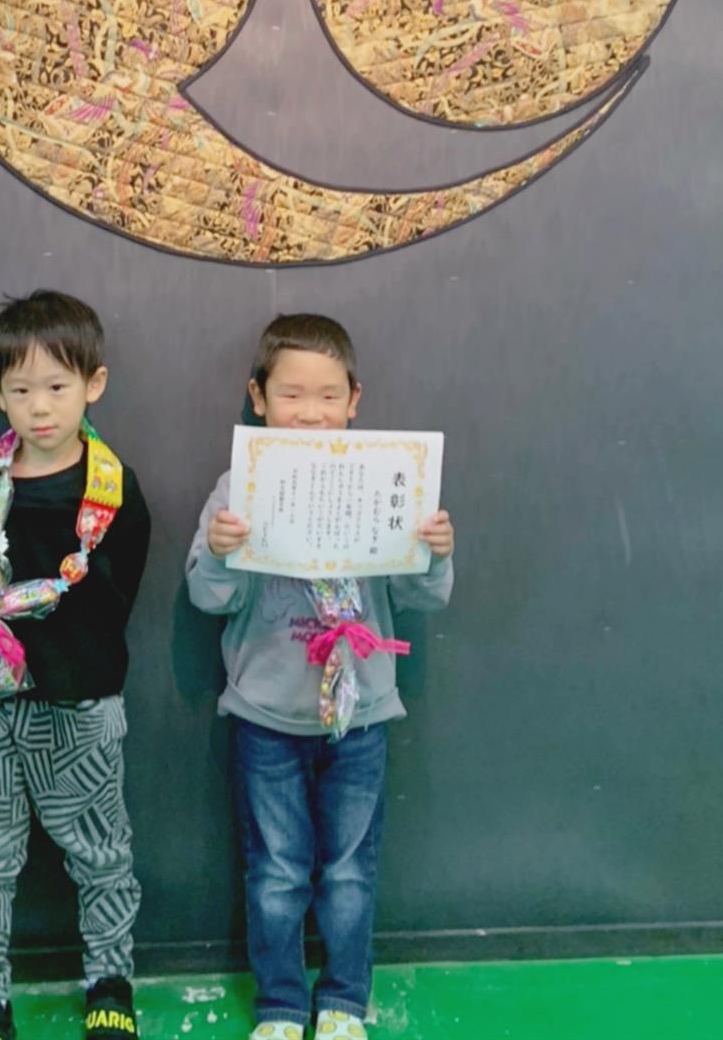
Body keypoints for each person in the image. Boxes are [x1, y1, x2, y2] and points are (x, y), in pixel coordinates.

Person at [185, 313, 454, 1040]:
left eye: (329, 395)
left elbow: (425, 597)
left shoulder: (387, 479)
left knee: (349, 870)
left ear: (354, 399)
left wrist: (433, 551)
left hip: (361, 715)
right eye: (292, 395)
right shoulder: (237, 487)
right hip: (266, 716)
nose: (310, 412)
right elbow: (208, 597)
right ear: (258, 397)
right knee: (275, 870)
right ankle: (279, 1005)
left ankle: (342, 1003)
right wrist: (221, 550)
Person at [0, 290, 150, 1040]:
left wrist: (69, 658)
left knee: (101, 851)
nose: (40, 406)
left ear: (94, 383)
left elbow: (120, 596)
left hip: (80, 704)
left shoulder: (113, 492)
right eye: (21, 389)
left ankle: (110, 980)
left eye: (57, 385)